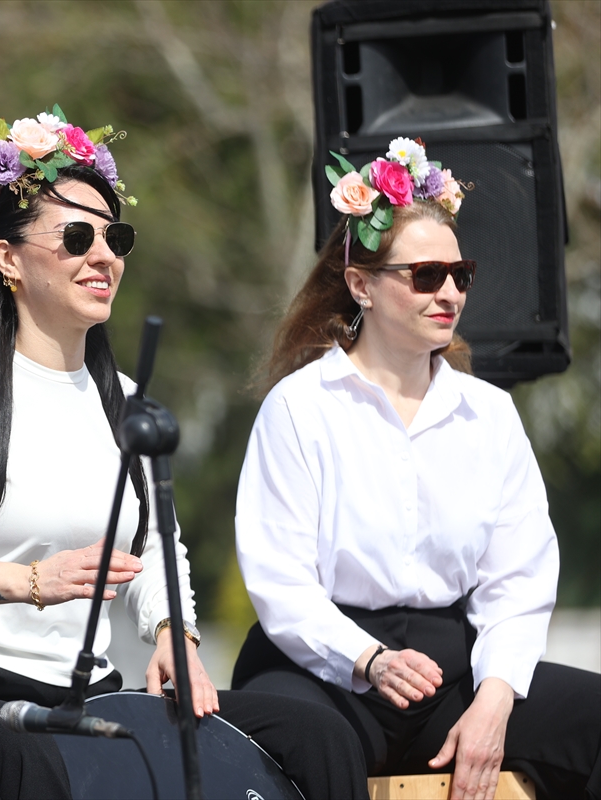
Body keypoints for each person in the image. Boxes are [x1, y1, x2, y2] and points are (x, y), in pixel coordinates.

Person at [0, 107, 369, 800]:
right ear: (8, 258)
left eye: (115, 236)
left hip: (84, 694)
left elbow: (155, 548)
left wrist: (172, 633)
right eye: (78, 237)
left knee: (315, 735)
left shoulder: (123, 398)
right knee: (25, 754)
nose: (105, 256)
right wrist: (25, 581)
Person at [232, 138, 601, 800]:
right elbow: (279, 581)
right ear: (360, 285)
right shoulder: (299, 407)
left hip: (450, 672)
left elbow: (518, 579)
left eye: (461, 274)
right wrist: (367, 658)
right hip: (321, 666)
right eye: (427, 276)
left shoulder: (488, 414)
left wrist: (494, 699)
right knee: (308, 738)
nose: (450, 293)